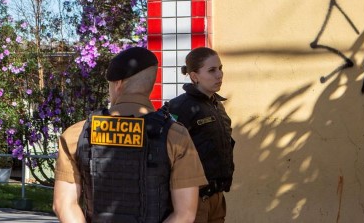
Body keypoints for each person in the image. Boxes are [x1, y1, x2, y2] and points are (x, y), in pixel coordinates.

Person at [53, 46, 207, 223]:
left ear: (118, 84)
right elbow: (185, 214)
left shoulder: (77, 133)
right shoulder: (175, 136)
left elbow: (63, 205)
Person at [166, 47, 235, 223]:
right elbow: (165, 152)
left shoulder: (217, 105)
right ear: (194, 76)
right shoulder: (180, 107)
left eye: (220, 68)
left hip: (217, 197)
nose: (219, 75)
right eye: (212, 70)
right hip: (193, 201)